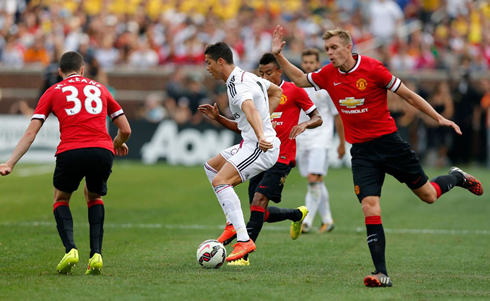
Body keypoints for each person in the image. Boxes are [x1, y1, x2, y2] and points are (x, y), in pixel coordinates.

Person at [271, 26, 483, 287]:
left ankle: (456, 177)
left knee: (428, 195)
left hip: (390, 145)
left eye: (334, 48)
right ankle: (381, 273)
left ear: (349, 47)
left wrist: (438, 117)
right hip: (361, 152)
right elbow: (301, 79)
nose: (330, 53)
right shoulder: (328, 74)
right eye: (327, 49)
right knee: (369, 206)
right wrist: (279, 56)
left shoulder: (373, 68)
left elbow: (407, 95)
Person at [0, 51, 131, 275]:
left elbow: (31, 133)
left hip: (71, 151)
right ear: (82, 69)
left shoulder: (52, 91)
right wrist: (117, 142)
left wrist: (10, 162)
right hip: (102, 150)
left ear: (60, 72)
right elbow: (126, 129)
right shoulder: (100, 89)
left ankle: (71, 249)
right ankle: (96, 255)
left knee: (61, 198)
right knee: (94, 196)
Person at [199, 52, 323, 266]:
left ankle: (244, 251)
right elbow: (243, 126)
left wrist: (299, 125)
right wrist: (219, 118)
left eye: (269, 73)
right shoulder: (254, 86)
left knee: (256, 201)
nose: (265, 77)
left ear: (279, 72)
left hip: (279, 155)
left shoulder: (291, 91)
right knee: (259, 212)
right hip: (256, 148)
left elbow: (316, 117)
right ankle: (296, 214)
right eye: (262, 73)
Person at [202, 42, 283, 262]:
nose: (207, 68)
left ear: (220, 61)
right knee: (211, 166)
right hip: (250, 142)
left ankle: (244, 239)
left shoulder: (236, 84)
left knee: (221, 182)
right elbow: (277, 91)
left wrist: (261, 135)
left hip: (260, 147)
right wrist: (264, 120)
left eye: (208, 62)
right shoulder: (249, 77)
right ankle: (231, 223)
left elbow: (250, 109)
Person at [295, 48, 346, 234]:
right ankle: (327, 220)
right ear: (302, 63)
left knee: (313, 178)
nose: (308, 65)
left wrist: (341, 142)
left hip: (321, 139)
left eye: (312, 62)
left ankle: (306, 221)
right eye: (305, 62)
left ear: (318, 64)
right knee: (317, 181)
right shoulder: (297, 86)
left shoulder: (325, 88)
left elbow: (337, 115)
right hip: (303, 140)